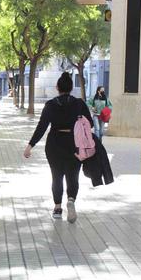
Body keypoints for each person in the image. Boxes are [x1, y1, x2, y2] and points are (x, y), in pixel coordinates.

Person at [24, 72, 93, 222]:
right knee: (73, 176)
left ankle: (57, 207)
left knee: (56, 176)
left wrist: (30, 145)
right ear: (71, 87)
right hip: (75, 144)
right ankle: (71, 200)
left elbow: (41, 127)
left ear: (57, 87)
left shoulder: (50, 105)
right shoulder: (79, 103)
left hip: (54, 143)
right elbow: (91, 124)